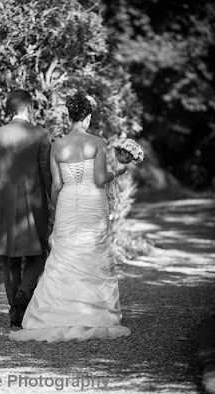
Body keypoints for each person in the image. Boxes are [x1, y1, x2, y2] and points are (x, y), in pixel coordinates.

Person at [9, 92, 131, 342]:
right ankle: (90, 312)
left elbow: (56, 185)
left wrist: (55, 210)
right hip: (91, 203)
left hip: (66, 202)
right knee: (91, 253)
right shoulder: (97, 142)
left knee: (64, 256)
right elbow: (99, 179)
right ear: (86, 117)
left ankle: (56, 312)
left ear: (70, 116)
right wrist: (117, 171)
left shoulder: (57, 145)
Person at [0, 89, 52, 327]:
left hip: (4, 205)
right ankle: (24, 293)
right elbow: (46, 173)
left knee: (9, 259)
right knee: (38, 254)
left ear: (9, 110)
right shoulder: (42, 135)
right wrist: (54, 201)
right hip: (34, 207)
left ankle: (15, 312)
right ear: (29, 108)